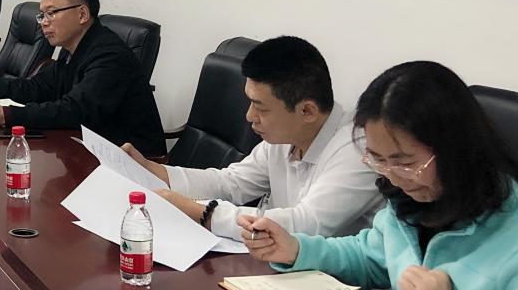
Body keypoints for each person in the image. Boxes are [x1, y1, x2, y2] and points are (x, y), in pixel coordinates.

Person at [241, 62, 518, 290]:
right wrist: (297, 250)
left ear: (457, 150)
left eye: (404, 162)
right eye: (378, 159)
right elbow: (371, 255)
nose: (392, 176)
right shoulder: (415, 196)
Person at [120, 36, 382, 239]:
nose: (249, 116)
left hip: (336, 284)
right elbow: (232, 183)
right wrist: (154, 170)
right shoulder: (286, 137)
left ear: (307, 111)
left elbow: (306, 224)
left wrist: (203, 213)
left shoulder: (358, 150)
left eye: (261, 107)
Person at [0, 0, 165, 156]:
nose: (43, 23)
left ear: (82, 14)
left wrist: (5, 115)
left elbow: (75, 111)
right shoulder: (72, 48)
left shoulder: (110, 56)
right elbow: (37, 87)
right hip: (88, 148)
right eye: (42, 15)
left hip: (134, 161)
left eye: (51, 13)